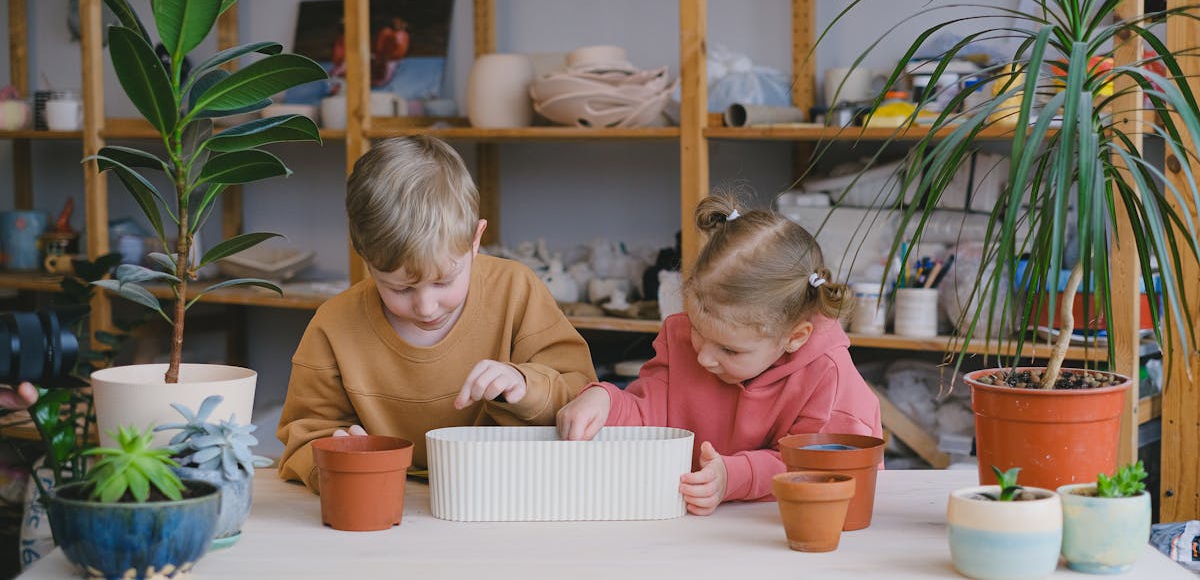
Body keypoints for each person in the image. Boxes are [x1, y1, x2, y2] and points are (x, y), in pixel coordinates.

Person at [277, 136, 597, 492]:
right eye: (399, 288)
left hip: (505, 494)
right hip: (386, 501)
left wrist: (526, 386)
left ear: (475, 240)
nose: (425, 306)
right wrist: (335, 463)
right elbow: (304, 438)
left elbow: (582, 396)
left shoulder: (516, 290)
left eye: (444, 281)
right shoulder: (333, 325)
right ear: (363, 256)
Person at [556, 193, 881, 515]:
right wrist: (605, 401)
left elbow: (819, 467)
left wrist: (733, 477)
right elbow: (647, 417)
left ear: (794, 338)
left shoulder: (827, 374)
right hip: (696, 530)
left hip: (788, 525)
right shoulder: (681, 339)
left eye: (729, 349)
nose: (703, 358)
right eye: (698, 330)